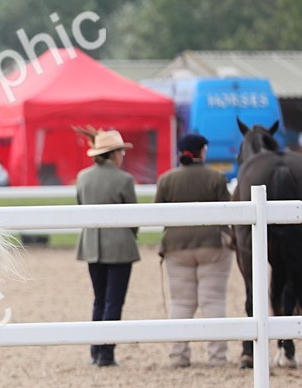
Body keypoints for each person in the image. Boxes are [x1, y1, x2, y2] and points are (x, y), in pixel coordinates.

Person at [155, 133, 232, 367]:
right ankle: (217, 357)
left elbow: (158, 213)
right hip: (212, 246)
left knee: (180, 303)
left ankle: (178, 355)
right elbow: (229, 212)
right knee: (214, 301)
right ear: (202, 151)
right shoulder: (216, 178)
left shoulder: (166, 180)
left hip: (177, 246)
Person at [75, 129, 140, 367]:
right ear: (114, 154)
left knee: (99, 299)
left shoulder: (83, 177)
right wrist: (132, 235)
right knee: (114, 301)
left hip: (92, 245)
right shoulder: (124, 180)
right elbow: (133, 217)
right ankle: (107, 353)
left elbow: (80, 205)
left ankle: (95, 350)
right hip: (120, 248)